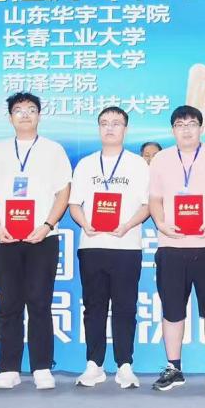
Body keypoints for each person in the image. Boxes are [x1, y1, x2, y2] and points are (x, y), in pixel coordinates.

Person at [0, 92, 73, 390]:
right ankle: (8, 367)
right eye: (18, 110)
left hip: (42, 238)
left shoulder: (53, 150)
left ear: (39, 115)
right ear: (10, 117)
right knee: (8, 302)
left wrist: (47, 225)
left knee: (40, 301)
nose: (25, 115)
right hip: (5, 238)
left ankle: (42, 366)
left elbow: (63, 192)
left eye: (31, 110)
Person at [147, 105, 205, 391]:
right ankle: (173, 367)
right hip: (172, 246)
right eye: (180, 124)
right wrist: (161, 223)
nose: (186, 129)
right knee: (172, 309)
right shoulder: (161, 159)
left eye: (191, 124)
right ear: (172, 130)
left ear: (201, 127)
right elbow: (154, 199)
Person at [67, 106, 150, 389]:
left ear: (125, 129)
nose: (110, 128)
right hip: (92, 245)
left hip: (126, 245)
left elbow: (147, 205)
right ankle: (94, 364)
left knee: (125, 306)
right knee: (94, 306)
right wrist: (85, 224)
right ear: (99, 128)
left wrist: (127, 225)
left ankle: (125, 365)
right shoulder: (86, 164)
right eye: (104, 123)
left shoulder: (138, 165)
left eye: (116, 123)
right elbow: (74, 204)